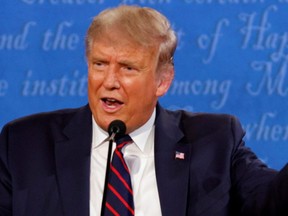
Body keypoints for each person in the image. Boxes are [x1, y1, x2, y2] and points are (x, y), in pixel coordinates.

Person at [0, 4, 287, 216]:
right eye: (100, 64)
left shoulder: (215, 142)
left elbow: (272, 203)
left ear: (163, 80)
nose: (109, 82)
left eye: (128, 68)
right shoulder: (24, 144)